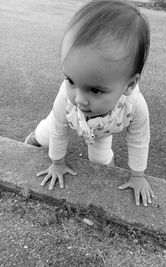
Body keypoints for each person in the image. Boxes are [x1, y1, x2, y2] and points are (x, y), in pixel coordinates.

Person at [25, 0, 155, 206]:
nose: (80, 99)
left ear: (129, 85)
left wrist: (138, 176)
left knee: (101, 161)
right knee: (47, 134)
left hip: (103, 131)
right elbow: (59, 129)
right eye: (72, 81)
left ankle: (105, 166)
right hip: (68, 119)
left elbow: (139, 140)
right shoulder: (66, 98)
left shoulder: (135, 106)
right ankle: (35, 137)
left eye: (95, 90)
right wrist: (57, 163)